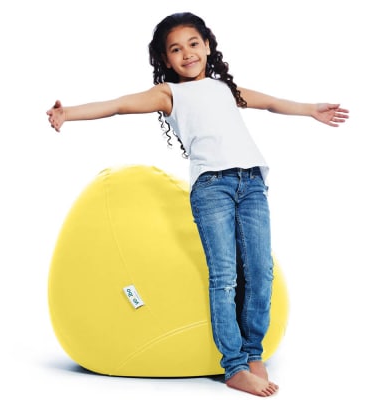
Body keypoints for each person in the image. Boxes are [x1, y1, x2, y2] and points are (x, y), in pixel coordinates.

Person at [46, 12, 349, 397]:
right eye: (175, 49)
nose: (186, 53)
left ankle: (253, 353)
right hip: (212, 188)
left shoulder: (225, 88)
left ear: (207, 45)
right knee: (225, 276)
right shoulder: (169, 94)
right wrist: (68, 113)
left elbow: (271, 103)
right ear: (166, 59)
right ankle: (235, 366)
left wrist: (311, 109)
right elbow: (119, 105)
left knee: (260, 270)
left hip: (252, 183)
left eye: (193, 44)